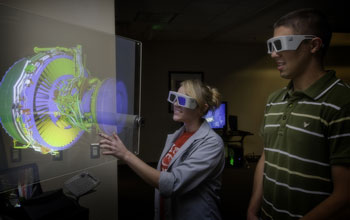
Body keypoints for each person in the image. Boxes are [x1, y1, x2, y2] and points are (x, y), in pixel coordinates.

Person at [247, 8, 350, 220]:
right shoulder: (274, 99)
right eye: (271, 46)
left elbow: (345, 194)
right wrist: (252, 209)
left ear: (313, 45)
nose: (273, 54)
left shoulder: (342, 102)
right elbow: (267, 156)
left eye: (281, 45)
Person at [99, 79, 225, 220]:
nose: (175, 104)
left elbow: (172, 184)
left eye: (183, 100)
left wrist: (126, 155)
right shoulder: (178, 135)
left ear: (201, 108)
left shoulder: (212, 143)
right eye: (175, 97)